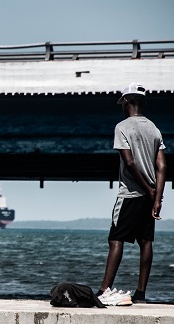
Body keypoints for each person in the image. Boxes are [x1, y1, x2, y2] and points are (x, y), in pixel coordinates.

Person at [97, 82, 166, 303]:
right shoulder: (154, 128)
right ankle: (141, 294)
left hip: (130, 194)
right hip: (149, 198)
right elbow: (162, 167)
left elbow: (129, 162)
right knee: (146, 242)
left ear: (126, 101)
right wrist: (156, 196)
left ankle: (104, 290)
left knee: (115, 240)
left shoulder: (122, 127)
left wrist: (147, 188)